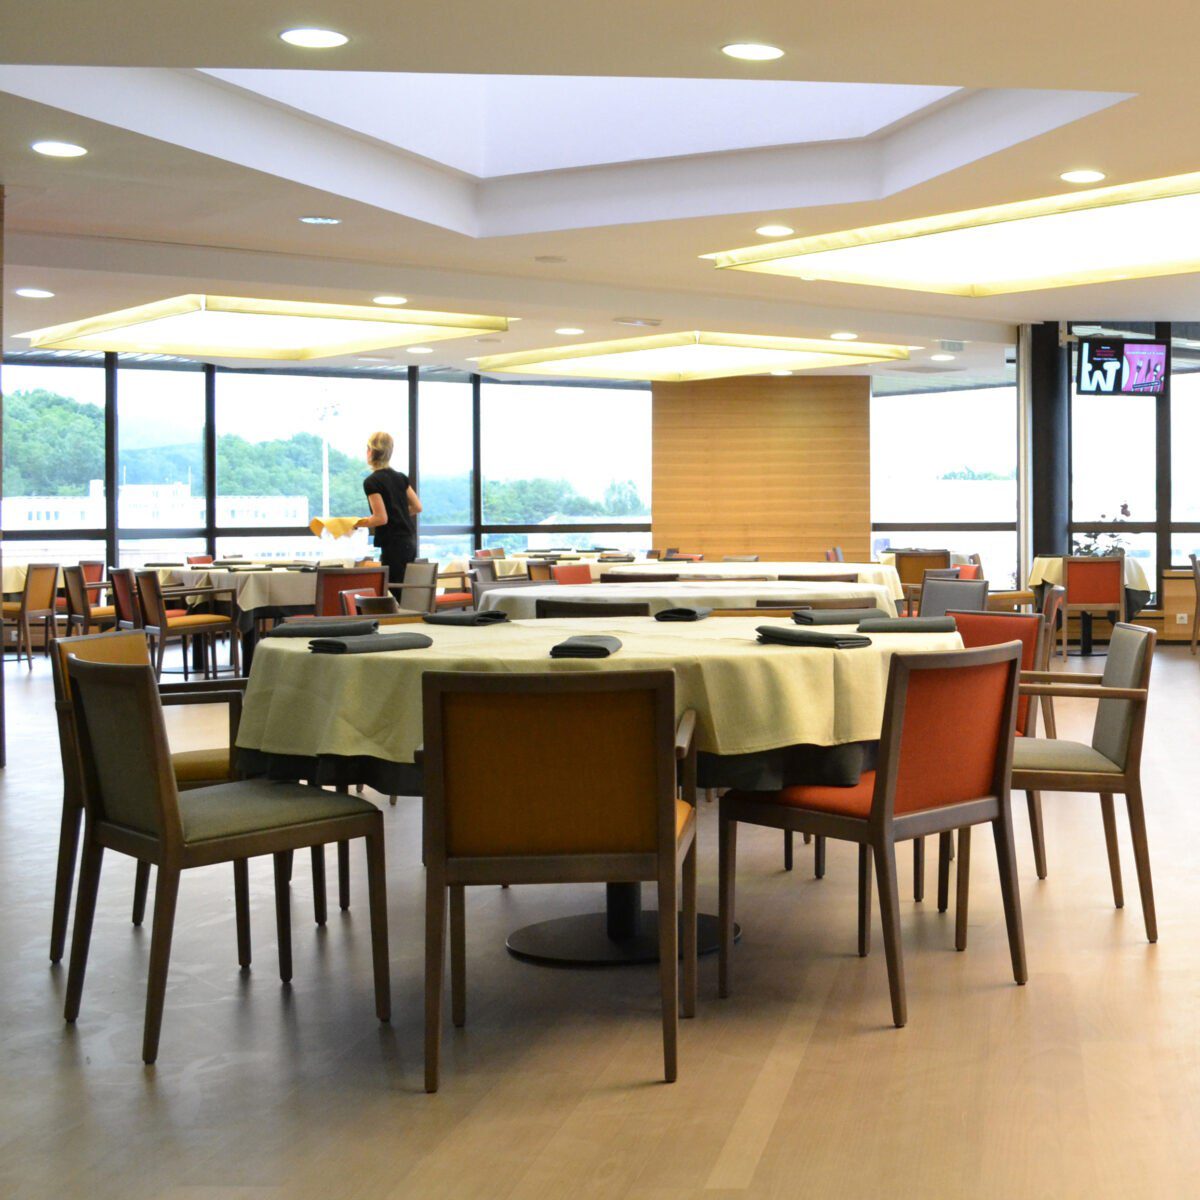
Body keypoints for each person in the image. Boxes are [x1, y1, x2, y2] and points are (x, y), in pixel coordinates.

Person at [356, 431, 422, 582]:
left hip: (393, 543)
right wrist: (398, 514)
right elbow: (417, 507)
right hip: (409, 541)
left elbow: (381, 518)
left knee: (392, 587)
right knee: (404, 587)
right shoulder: (400, 478)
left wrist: (357, 523)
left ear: (370, 451)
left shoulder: (372, 482)